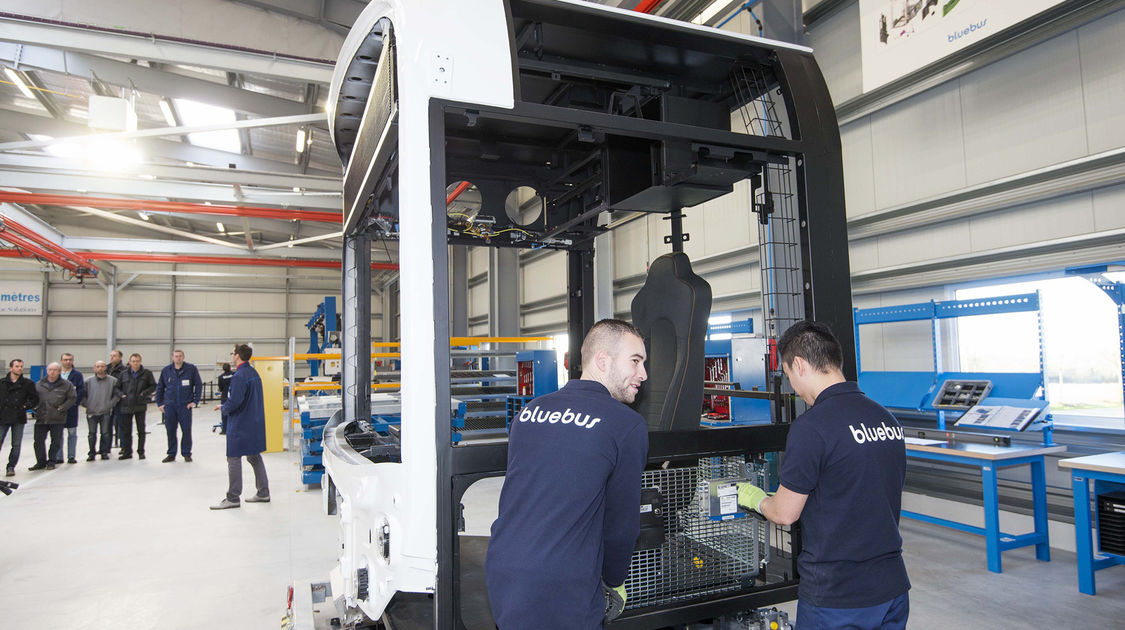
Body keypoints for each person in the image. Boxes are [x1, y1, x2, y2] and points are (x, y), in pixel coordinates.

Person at [736, 320, 910, 630]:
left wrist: (758, 500)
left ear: (799, 365)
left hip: (838, 596)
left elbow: (785, 513)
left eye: (789, 376)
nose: (793, 387)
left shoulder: (812, 427)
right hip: (892, 587)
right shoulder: (886, 418)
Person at [486, 319, 649, 629]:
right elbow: (622, 524)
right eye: (635, 361)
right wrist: (613, 581)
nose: (643, 374)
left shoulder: (530, 411)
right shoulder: (625, 425)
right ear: (603, 360)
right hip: (560, 586)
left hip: (503, 571)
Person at [210, 344, 269, 510]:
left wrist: (223, 408)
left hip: (240, 424)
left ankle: (233, 497)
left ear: (237, 356)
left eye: (233, 353)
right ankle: (263, 491)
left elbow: (235, 401)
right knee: (254, 456)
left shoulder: (239, 376)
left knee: (233, 458)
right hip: (254, 422)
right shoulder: (253, 373)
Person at [156, 349, 202, 463]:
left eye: (180, 356)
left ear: (183, 357)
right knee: (170, 430)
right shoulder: (166, 370)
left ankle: (186, 453)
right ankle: (171, 454)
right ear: (172, 357)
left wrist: (195, 401)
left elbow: (198, 384)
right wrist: (160, 403)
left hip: (185, 406)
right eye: (176, 356)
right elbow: (160, 387)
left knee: (186, 430)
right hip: (170, 406)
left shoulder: (191, 369)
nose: (178, 358)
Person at [31, 362, 77, 471]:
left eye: (55, 370)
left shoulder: (66, 385)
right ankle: (41, 462)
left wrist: (63, 408)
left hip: (57, 418)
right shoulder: (39, 384)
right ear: (47, 371)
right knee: (38, 441)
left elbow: (72, 398)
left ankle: (52, 460)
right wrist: (35, 408)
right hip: (41, 417)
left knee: (55, 441)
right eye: (50, 370)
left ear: (59, 371)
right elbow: (32, 398)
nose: (52, 372)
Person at [1, 359, 39, 476]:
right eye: (17, 366)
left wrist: (25, 406)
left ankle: (11, 466)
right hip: (3, 416)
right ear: (10, 368)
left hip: (18, 416)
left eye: (21, 366)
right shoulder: (2, 383)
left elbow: (35, 399)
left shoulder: (28, 383)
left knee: (16, 444)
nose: (19, 368)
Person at [117, 353, 156, 460]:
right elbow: (116, 388)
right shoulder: (123, 374)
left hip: (140, 405)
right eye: (133, 361)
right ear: (129, 362)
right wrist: (121, 395)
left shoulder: (146, 373)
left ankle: (141, 451)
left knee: (141, 430)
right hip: (126, 405)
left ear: (140, 361)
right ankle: (127, 452)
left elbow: (153, 386)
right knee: (126, 431)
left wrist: (144, 393)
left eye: (137, 361)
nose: (135, 363)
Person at [83, 360, 122, 461]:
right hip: (91, 412)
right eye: (98, 366)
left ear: (106, 368)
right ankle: (91, 453)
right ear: (94, 368)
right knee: (91, 434)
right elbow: (82, 396)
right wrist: (87, 405)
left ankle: (104, 452)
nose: (100, 368)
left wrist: (110, 404)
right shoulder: (88, 381)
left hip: (105, 412)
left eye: (102, 366)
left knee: (105, 433)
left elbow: (117, 395)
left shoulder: (113, 381)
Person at [56, 352, 85, 465]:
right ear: (61, 361)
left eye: (70, 359)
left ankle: (71, 456)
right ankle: (59, 456)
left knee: (72, 433)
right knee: (58, 434)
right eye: (65, 359)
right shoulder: (56, 374)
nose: (68, 362)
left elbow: (81, 390)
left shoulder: (77, 375)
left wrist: (74, 403)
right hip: (57, 409)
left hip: (71, 409)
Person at [107, 349, 126, 448]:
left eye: (114, 356)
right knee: (107, 425)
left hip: (120, 401)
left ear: (120, 357)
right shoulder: (106, 369)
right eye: (111, 355)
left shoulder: (124, 370)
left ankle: (123, 446)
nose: (112, 357)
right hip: (107, 400)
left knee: (121, 424)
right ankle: (106, 447)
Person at [217, 362, 235, 435]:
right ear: (230, 367)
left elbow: (220, 388)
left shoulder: (220, 377)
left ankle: (224, 429)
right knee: (234, 411)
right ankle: (233, 428)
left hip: (224, 395)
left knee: (224, 411)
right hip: (233, 394)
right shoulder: (234, 375)